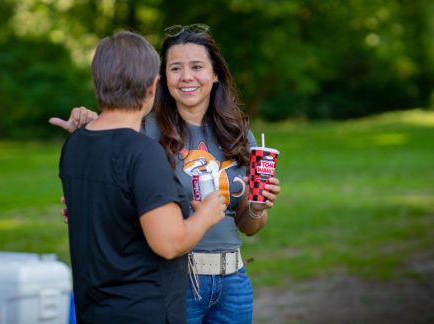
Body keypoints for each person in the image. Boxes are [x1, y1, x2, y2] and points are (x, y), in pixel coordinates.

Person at [52, 25, 281, 324]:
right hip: (176, 280)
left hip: (232, 282)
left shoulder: (237, 133)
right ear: (160, 79)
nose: (186, 76)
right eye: (176, 68)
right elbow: (115, 163)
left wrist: (257, 206)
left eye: (197, 66)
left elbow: (249, 225)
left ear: (215, 74)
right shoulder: (143, 132)